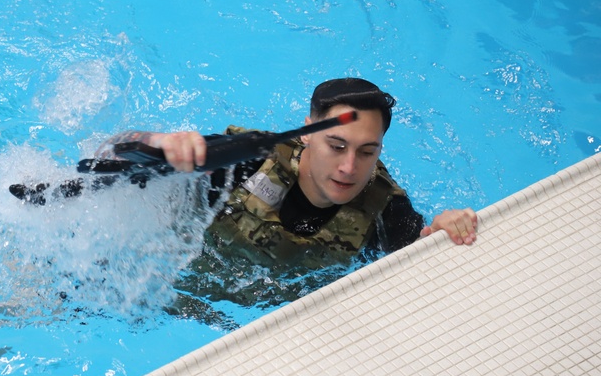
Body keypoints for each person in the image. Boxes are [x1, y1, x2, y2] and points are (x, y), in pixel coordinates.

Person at [96, 78, 477, 277]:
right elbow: (111, 156)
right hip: (167, 277)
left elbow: (418, 264)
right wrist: (158, 143)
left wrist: (443, 231)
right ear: (308, 132)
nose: (349, 168)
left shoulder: (384, 209)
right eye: (336, 146)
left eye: (367, 152)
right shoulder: (244, 162)